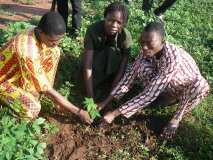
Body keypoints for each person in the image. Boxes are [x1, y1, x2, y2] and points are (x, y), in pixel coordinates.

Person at [98, 21, 210, 139]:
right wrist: (106, 101)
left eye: (149, 43)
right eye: (142, 42)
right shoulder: (145, 50)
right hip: (162, 84)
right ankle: (161, 99)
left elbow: (149, 93)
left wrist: (113, 114)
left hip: (184, 89)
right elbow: (129, 77)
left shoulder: (172, 57)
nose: (144, 47)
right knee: (138, 67)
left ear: (162, 41)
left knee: (201, 84)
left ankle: (176, 118)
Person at [0, 12, 92, 124]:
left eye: (59, 40)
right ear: (40, 32)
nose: (56, 44)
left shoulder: (37, 32)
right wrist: (78, 111)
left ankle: (39, 88)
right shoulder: (27, 52)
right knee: (32, 108)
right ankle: (10, 117)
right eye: (52, 41)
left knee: (54, 52)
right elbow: (30, 57)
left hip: (18, 72)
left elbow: (52, 49)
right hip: (3, 81)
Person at [82, 2, 132, 102]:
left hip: (114, 69)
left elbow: (122, 67)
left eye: (119, 22)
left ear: (124, 23)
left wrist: (110, 94)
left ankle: (108, 84)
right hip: (96, 65)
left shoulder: (125, 36)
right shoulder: (93, 30)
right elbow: (87, 66)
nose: (114, 25)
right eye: (110, 20)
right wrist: (90, 98)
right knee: (83, 84)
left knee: (111, 52)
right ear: (105, 17)